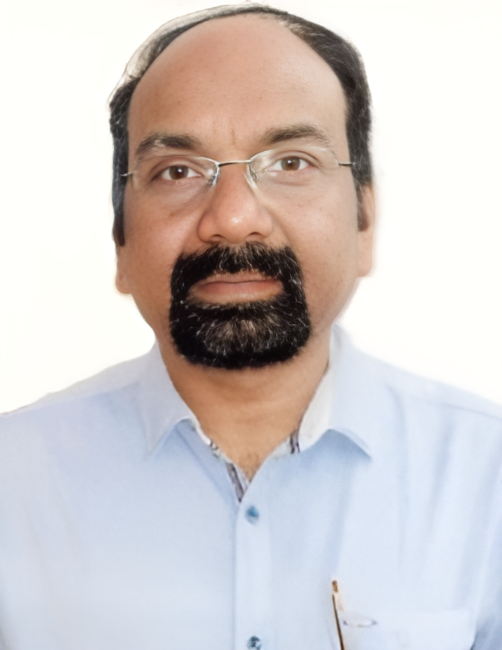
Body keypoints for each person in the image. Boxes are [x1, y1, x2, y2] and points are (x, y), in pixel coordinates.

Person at [0, 4, 501, 649]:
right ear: (120, 241)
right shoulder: (14, 484)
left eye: (291, 162)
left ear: (364, 221)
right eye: (178, 171)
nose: (233, 219)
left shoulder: (485, 481)